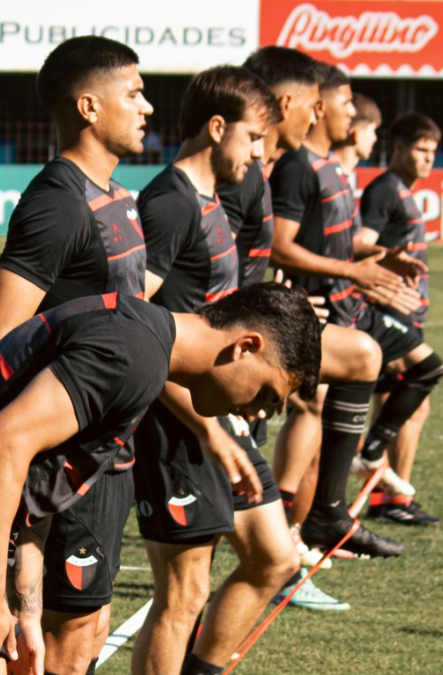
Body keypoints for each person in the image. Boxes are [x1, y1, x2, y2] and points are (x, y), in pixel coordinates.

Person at [0, 284, 322, 675]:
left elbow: (36, 481)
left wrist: (25, 609)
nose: (258, 412)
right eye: (268, 393)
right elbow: (0, 443)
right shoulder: (135, 355)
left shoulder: (143, 342)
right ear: (246, 346)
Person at [0, 36, 153, 675]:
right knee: (58, 644)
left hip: (113, 450)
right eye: (134, 93)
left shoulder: (120, 198)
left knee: (91, 625)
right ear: (89, 106)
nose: (147, 106)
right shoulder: (57, 202)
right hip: (66, 458)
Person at [127, 65, 292, 675]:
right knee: (183, 595)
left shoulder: (214, 201)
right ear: (217, 127)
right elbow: (133, 331)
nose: (259, 153)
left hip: (221, 418)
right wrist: (206, 430)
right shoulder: (168, 204)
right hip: (178, 427)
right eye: (253, 138)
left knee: (274, 556)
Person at [217, 46, 378, 610]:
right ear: (287, 103)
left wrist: (285, 303)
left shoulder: (260, 172)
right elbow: (212, 277)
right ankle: (305, 531)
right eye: (316, 104)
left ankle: (302, 534)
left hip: (252, 337)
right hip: (222, 351)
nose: (318, 116)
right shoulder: (242, 178)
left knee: (344, 375)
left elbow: (250, 266)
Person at [269, 63, 433, 562]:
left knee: (326, 414)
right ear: (315, 106)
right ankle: (292, 537)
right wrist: (354, 271)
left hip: (335, 306)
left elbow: (341, 243)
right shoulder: (298, 167)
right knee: (311, 414)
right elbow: (279, 246)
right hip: (309, 311)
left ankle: (306, 530)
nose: (347, 112)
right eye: (344, 103)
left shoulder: (330, 170)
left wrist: (377, 259)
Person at [351, 111, 443, 526]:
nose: (428, 159)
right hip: (388, 314)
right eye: (421, 150)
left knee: (401, 406)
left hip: (405, 312)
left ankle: (382, 497)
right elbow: (360, 245)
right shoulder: (386, 190)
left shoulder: (402, 190)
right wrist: (385, 272)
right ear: (399, 147)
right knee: (405, 403)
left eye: (433, 152)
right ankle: (386, 498)